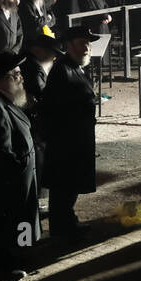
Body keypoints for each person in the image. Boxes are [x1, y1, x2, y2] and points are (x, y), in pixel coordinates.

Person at [0, 51, 41, 280]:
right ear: (4, 79)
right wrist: (16, 167)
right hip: (8, 176)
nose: (21, 77)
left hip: (21, 172)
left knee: (23, 216)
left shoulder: (6, 99)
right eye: (17, 74)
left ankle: (22, 255)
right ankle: (5, 263)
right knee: (7, 219)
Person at [40, 26, 99, 238]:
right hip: (66, 141)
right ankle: (62, 229)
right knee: (63, 187)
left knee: (71, 186)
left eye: (88, 43)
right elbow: (53, 106)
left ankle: (68, 222)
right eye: (82, 43)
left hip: (77, 138)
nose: (87, 48)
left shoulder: (76, 67)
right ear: (69, 46)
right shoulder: (62, 69)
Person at [20, 27, 61, 214]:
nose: (53, 58)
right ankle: (34, 203)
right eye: (51, 54)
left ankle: (35, 201)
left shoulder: (32, 64)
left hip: (34, 123)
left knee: (39, 161)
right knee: (37, 162)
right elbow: (40, 93)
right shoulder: (34, 68)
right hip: (34, 124)